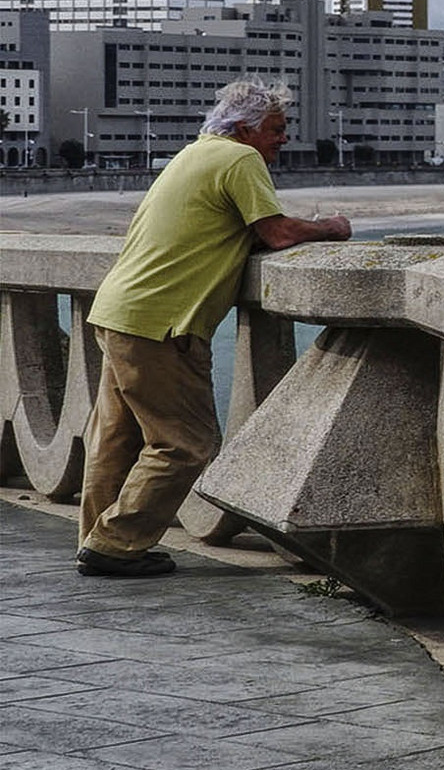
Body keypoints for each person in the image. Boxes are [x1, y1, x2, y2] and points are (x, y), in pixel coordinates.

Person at [75, 79, 352, 577]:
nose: (283, 138)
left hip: (119, 311)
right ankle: (114, 544)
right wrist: (330, 227)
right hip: (163, 323)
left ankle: (102, 541)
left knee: (117, 438)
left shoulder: (194, 154)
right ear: (246, 129)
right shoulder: (240, 160)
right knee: (186, 443)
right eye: (276, 128)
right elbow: (278, 232)